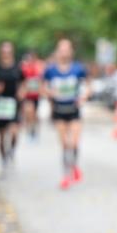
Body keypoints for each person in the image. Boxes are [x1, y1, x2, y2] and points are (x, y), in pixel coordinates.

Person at [43, 39, 88, 189]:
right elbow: (43, 87)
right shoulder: (50, 70)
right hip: (59, 110)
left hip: (74, 110)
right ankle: (66, 175)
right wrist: (50, 92)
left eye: (67, 49)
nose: (64, 52)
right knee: (64, 144)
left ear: (71, 52)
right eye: (61, 50)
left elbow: (88, 85)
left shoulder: (78, 69)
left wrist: (84, 97)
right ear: (57, 52)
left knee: (74, 143)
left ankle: (74, 166)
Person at [0, 41, 25, 174]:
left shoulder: (17, 67)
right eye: (4, 52)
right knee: (2, 136)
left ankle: (12, 151)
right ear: (1, 53)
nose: (6, 54)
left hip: (14, 103)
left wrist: (22, 91)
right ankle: (3, 159)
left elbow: (23, 83)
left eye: (8, 51)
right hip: (1, 104)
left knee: (15, 132)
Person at [20, 51, 44, 140]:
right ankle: (29, 130)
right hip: (27, 95)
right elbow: (22, 81)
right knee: (28, 112)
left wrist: (41, 90)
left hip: (36, 95)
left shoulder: (39, 67)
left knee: (34, 114)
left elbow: (41, 80)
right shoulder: (23, 68)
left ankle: (35, 129)